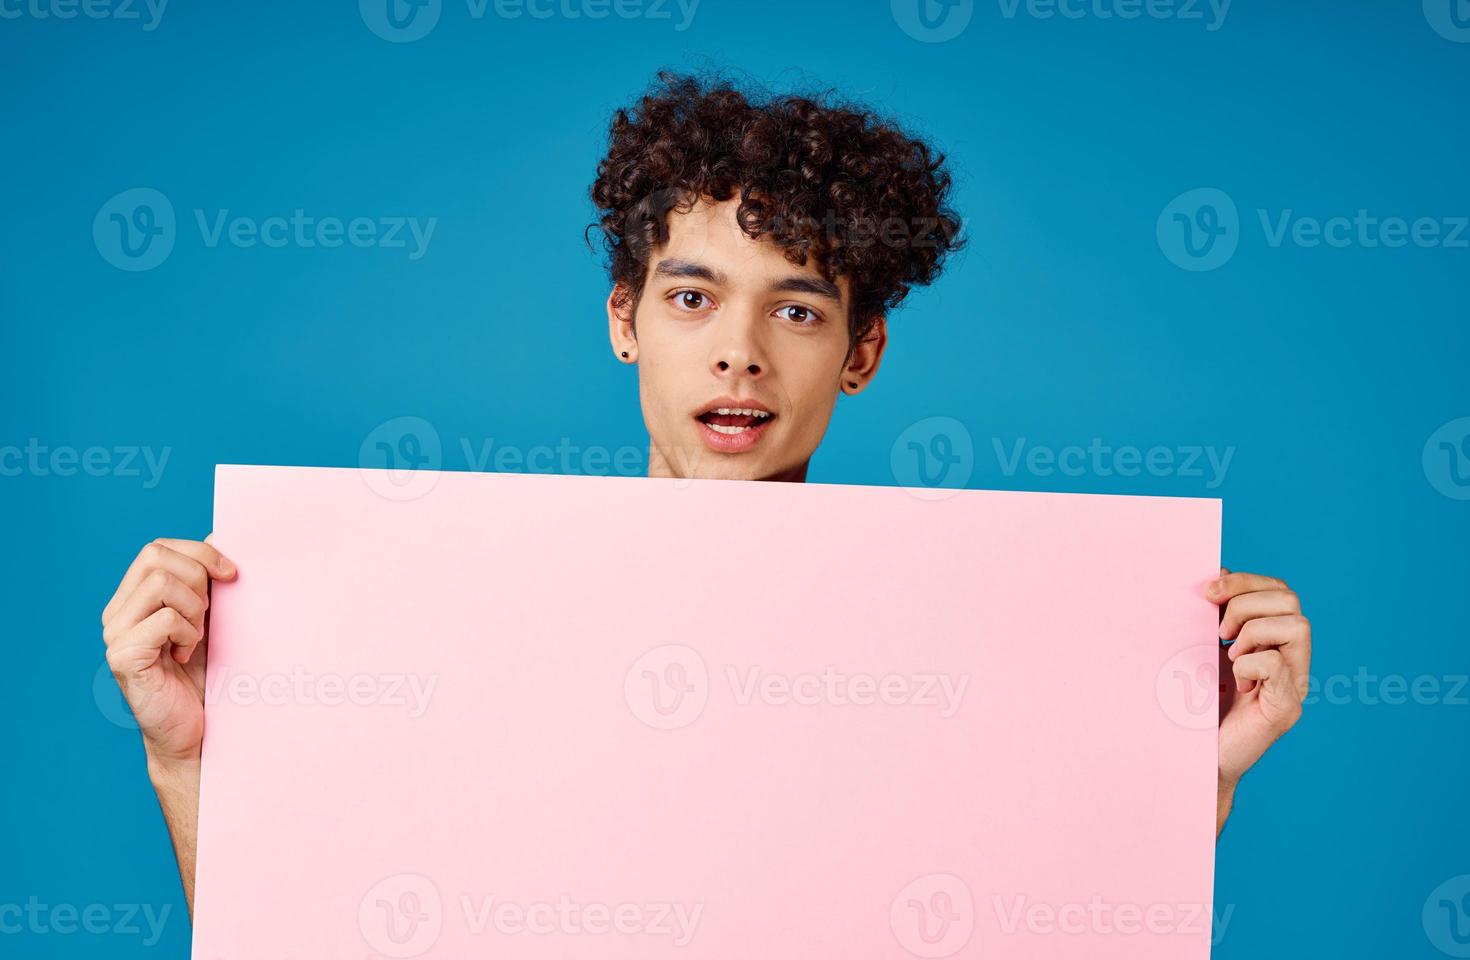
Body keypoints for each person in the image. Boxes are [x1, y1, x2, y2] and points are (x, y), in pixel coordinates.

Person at [101, 72, 1312, 917]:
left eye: (796, 308)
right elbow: (303, 954)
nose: (740, 352)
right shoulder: (462, 627)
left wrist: (1191, 771)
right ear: (624, 319)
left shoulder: (953, 653)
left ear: (862, 350)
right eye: (691, 297)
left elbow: (1055, 938)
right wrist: (189, 761)